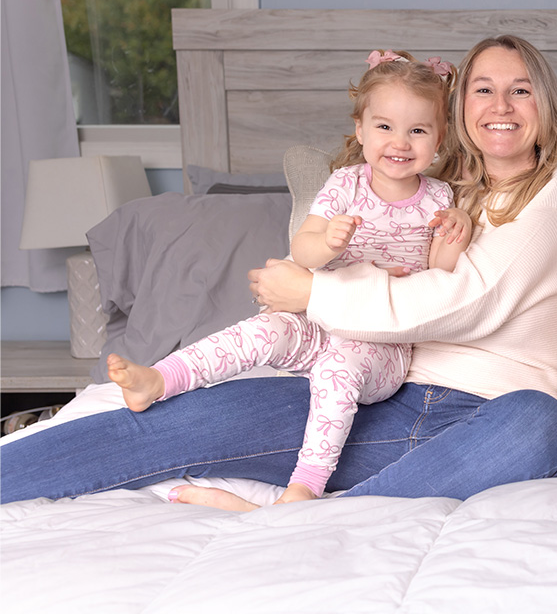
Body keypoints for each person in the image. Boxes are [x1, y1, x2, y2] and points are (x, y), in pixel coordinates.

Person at [0, 34, 557, 509]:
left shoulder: (550, 193)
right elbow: (367, 263)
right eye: (483, 89)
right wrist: (314, 270)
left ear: (545, 105)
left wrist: (312, 291)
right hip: (377, 399)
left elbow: (460, 301)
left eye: (521, 90)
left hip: (479, 417)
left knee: (544, 423)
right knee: (165, 423)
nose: (501, 106)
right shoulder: (445, 192)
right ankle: (324, 505)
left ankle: (316, 517)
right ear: (459, 111)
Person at [105, 49, 473, 505]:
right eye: (384, 127)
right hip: (317, 323)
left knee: (339, 370)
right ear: (360, 130)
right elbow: (304, 249)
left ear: (439, 140)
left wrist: (458, 230)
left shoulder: (439, 197)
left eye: (417, 130)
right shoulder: (344, 185)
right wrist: (329, 244)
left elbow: (440, 283)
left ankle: (304, 486)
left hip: (380, 347)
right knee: (262, 330)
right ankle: (160, 379)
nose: (399, 142)